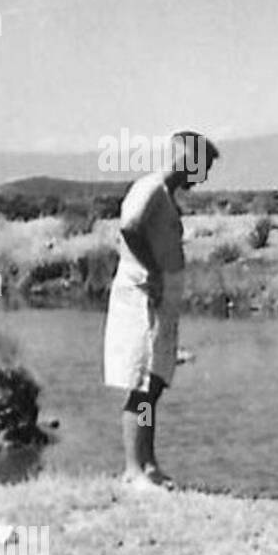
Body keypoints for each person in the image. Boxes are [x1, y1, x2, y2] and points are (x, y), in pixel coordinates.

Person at [103, 131, 219, 487]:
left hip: (157, 296)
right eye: (204, 166)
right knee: (140, 383)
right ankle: (133, 470)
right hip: (141, 295)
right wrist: (152, 270)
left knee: (153, 383)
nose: (204, 176)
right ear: (189, 159)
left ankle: (149, 465)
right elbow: (130, 227)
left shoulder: (165, 194)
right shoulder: (150, 187)